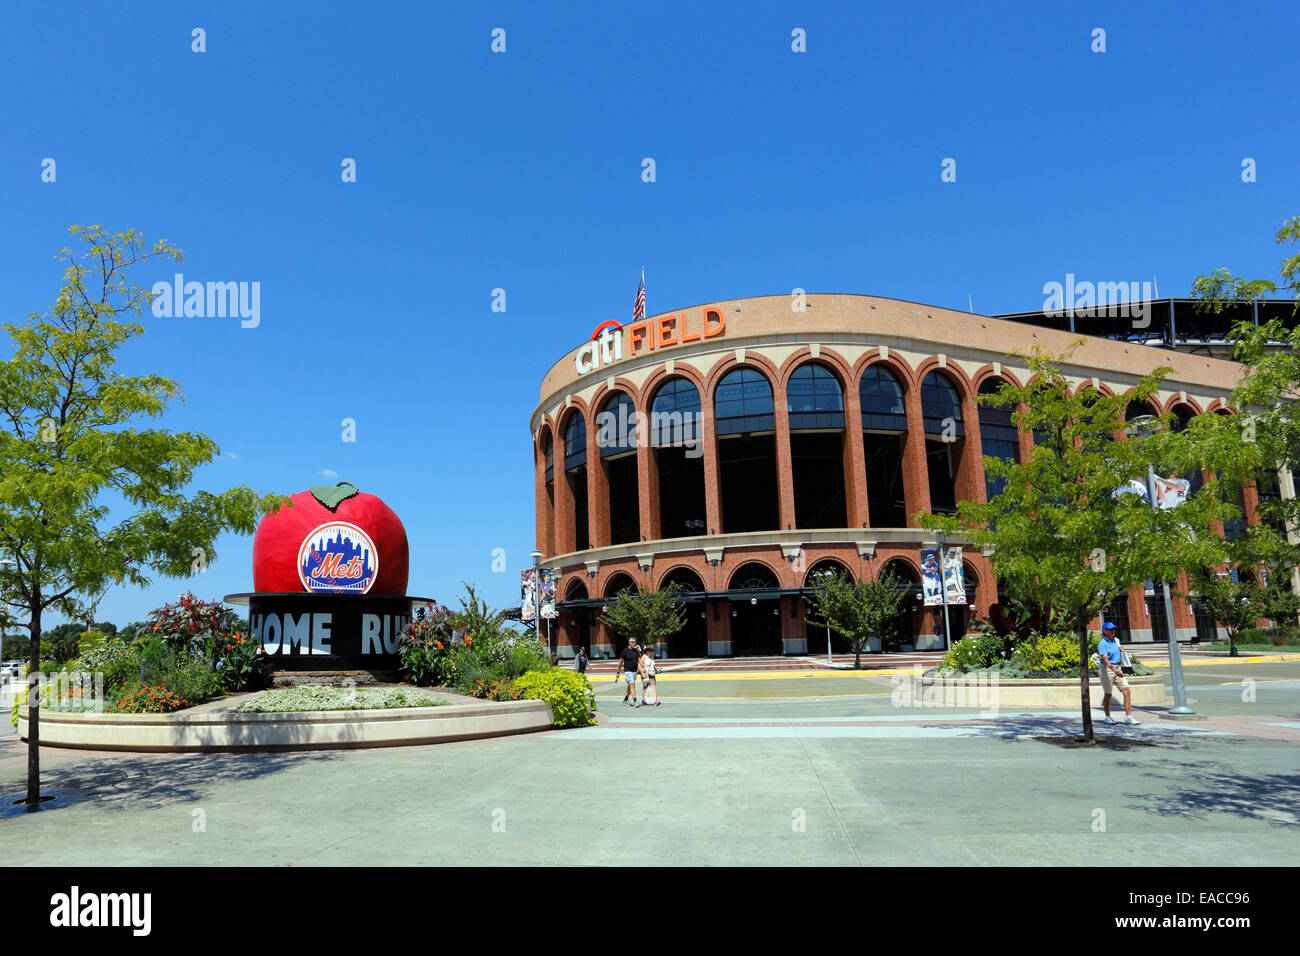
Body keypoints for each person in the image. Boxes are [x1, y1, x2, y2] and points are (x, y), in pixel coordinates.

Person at [1097, 622, 1140, 725]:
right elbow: (1105, 660)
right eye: (1110, 629)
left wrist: (1121, 650)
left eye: (1114, 629)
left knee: (1127, 691)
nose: (1112, 631)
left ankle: (1128, 717)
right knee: (1108, 694)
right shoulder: (1102, 644)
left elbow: (1120, 653)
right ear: (1105, 631)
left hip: (1118, 668)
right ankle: (1107, 717)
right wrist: (1115, 671)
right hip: (1107, 669)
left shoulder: (1116, 640)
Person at [615, 637, 641, 706]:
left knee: (630, 686)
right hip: (628, 671)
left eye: (635, 642)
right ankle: (635, 701)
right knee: (632, 685)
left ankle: (625, 699)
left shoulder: (636, 651)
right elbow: (620, 663)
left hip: (634, 671)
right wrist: (618, 672)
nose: (634, 643)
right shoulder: (625, 651)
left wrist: (643, 668)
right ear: (629, 642)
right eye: (632, 642)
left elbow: (639, 660)